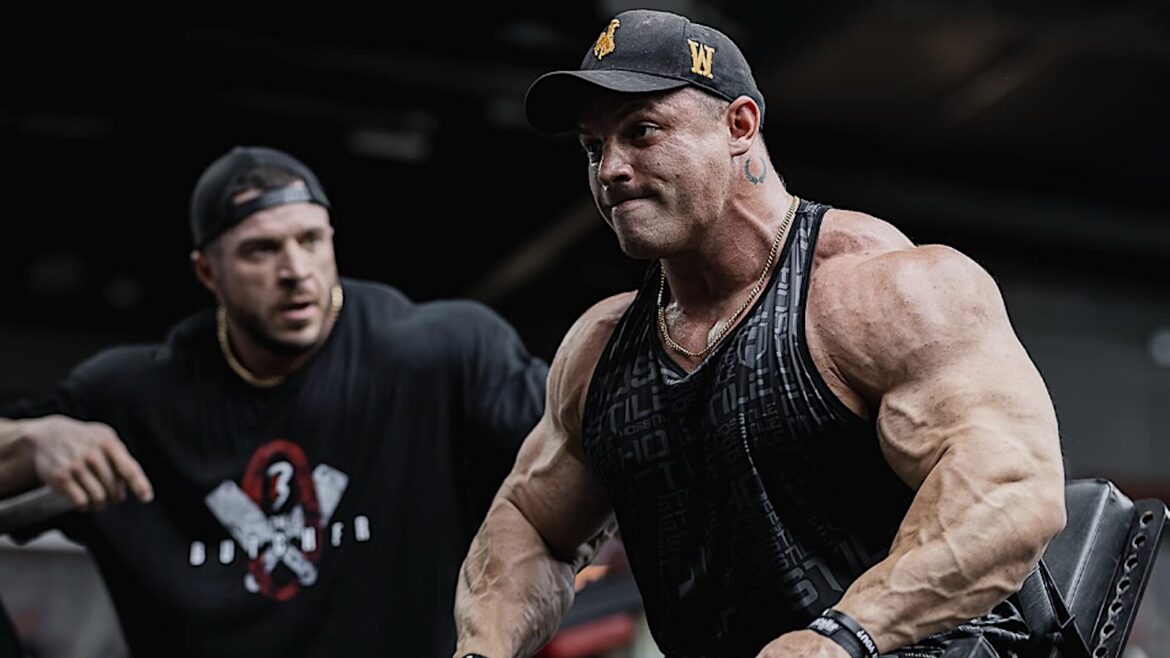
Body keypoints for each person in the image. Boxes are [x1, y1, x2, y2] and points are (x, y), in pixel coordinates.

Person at [452, 9, 1067, 658]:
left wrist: (843, 637)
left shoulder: (882, 291)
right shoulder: (601, 352)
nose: (610, 169)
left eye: (642, 132)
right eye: (593, 147)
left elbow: (1011, 492)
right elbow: (533, 522)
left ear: (739, 126)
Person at [0, 145, 549, 657]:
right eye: (260, 251)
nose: (295, 272)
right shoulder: (132, 398)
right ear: (208, 272)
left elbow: (574, 454)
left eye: (309, 240)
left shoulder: (441, 354)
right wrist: (32, 439)